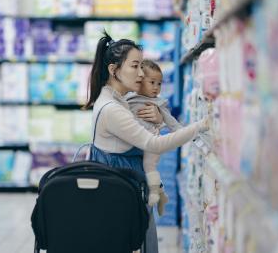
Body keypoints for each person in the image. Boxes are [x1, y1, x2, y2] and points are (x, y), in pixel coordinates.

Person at [84, 32, 209, 253]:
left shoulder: (117, 100)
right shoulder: (112, 109)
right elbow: (154, 145)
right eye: (135, 66)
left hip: (123, 184)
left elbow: (141, 133)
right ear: (114, 70)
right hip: (120, 190)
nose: (141, 74)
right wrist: (200, 126)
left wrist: (159, 119)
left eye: (142, 66)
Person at [125, 59, 183, 216]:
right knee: (143, 170)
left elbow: (172, 122)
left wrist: (183, 133)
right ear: (139, 80)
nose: (156, 88)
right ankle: (162, 195)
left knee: (149, 166)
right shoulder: (128, 98)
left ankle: (155, 195)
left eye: (159, 84)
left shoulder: (157, 103)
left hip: (151, 141)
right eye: (152, 82)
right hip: (135, 143)